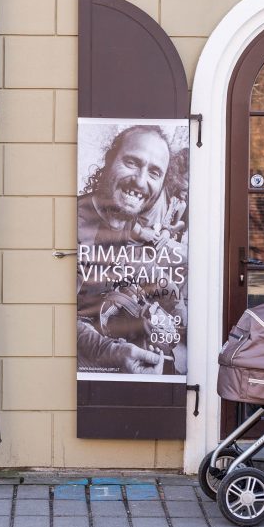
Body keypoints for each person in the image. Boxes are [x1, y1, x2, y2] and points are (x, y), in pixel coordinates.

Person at [77, 125, 184, 375]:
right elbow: (58, 318)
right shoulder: (76, 227)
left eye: (154, 172)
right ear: (109, 160)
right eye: (132, 162)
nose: (140, 180)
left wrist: (164, 290)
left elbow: (133, 260)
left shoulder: (127, 219)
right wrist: (110, 351)